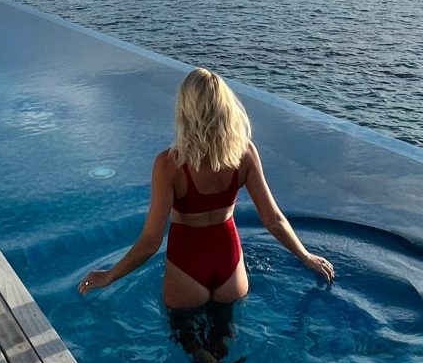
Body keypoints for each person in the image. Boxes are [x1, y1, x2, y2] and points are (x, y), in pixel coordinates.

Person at [78, 66, 335, 308]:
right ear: (226, 107)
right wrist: (305, 256)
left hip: (186, 263)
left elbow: (150, 241)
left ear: (184, 110)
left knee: (187, 341)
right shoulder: (245, 153)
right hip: (229, 263)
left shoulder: (168, 164)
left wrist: (110, 275)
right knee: (226, 338)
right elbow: (272, 219)